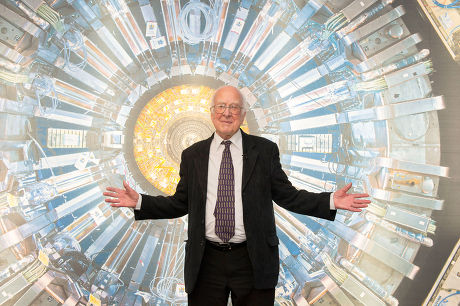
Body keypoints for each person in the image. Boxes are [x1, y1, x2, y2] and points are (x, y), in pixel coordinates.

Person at [103, 85, 370, 305]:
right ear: (211, 113)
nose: (227, 113)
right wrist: (139, 201)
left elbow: (287, 195)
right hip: (206, 261)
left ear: (243, 115)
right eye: (221, 107)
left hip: (253, 259)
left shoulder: (265, 151)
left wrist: (331, 201)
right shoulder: (193, 155)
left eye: (233, 108)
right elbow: (180, 203)